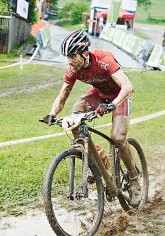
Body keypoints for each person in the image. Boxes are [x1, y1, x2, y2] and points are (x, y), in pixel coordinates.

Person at [41, 29, 141, 207]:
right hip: (100, 94)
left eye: (73, 56)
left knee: (118, 138)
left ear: (85, 53)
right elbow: (62, 95)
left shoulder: (103, 60)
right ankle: (97, 156)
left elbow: (128, 86)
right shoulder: (73, 70)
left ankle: (134, 181)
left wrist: (113, 104)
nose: (69, 61)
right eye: (67, 57)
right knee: (74, 115)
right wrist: (52, 114)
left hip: (120, 95)